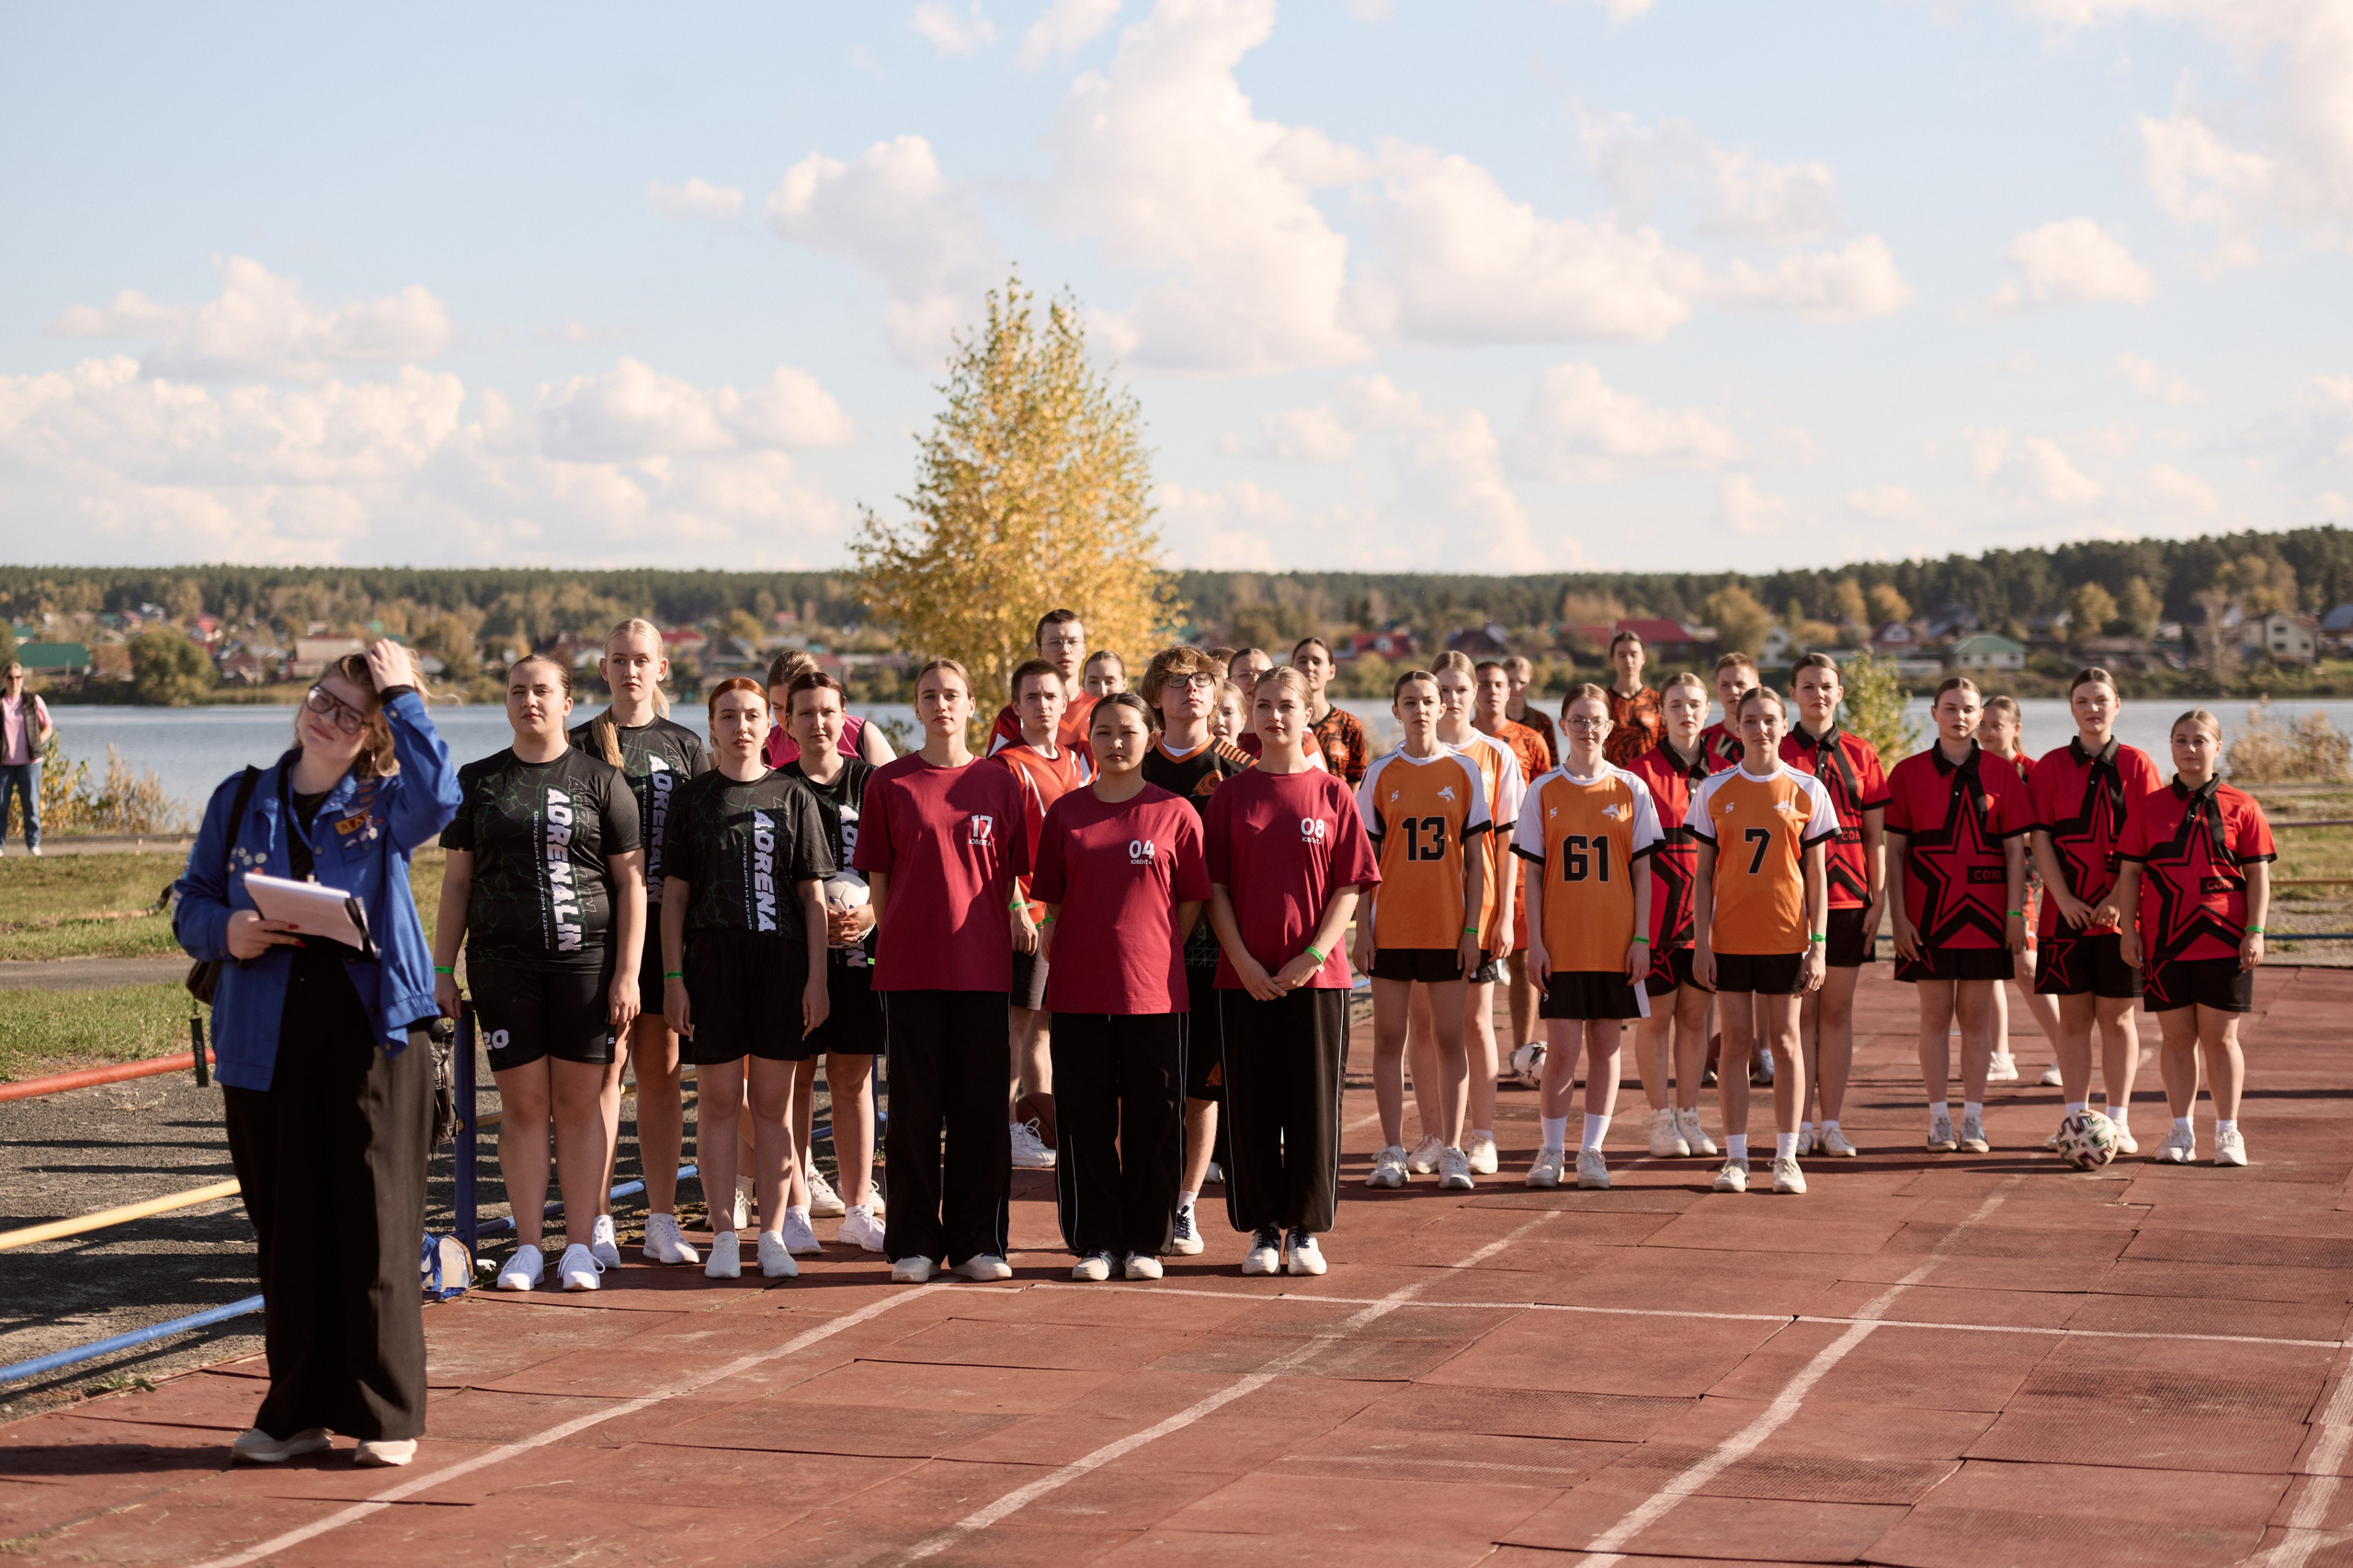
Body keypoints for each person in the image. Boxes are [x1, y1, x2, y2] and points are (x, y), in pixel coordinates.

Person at [179, 642, 459, 1470]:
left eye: (349, 711)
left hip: (372, 1038)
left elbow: (443, 796)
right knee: (288, 1232)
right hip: (265, 1046)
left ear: (373, 732)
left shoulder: (385, 803)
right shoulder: (240, 800)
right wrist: (226, 930)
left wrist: (405, 693)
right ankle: (293, 1410)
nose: (326, 717)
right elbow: (192, 901)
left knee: (373, 1228)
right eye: (319, 699)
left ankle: (384, 1413)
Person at [437, 655, 645, 1293]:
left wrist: (629, 973)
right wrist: (443, 968)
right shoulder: (477, 781)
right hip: (503, 967)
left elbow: (631, 883)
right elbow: (457, 883)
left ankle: (579, 1246)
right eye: (518, 690)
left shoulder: (602, 780)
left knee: (579, 1108)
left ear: (565, 701)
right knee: (524, 1108)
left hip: (586, 964)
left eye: (543, 690)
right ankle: (529, 1245)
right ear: (506, 701)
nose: (530, 700)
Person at [854, 658, 1031, 1283]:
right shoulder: (890, 784)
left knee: (981, 1112)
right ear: (917, 705)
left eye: (952, 694)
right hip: (909, 972)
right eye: (930, 695)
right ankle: (913, 1243)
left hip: (983, 970)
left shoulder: (1001, 783)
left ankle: (978, 1242)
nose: (941, 704)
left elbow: (1011, 875)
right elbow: (878, 882)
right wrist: (903, 936)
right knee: (914, 1112)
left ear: (971, 702)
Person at [1032, 692, 1211, 1279]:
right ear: (1090, 740)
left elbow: (1188, 903)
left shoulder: (1176, 813)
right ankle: (1096, 1242)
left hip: (1154, 994)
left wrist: (1151, 948)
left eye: (1128, 731)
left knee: (1152, 1120)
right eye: (1103, 731)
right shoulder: (1066, 813)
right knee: (1085, 1119)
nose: (1114, 742)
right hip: (1080, 992)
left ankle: (1146, 1242)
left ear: (1150, 736)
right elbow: (1053, 902)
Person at [1207, 666, 1378, 1277]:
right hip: (1244, 979)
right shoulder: (1230, 796)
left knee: (1312, 1107)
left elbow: (1350, 886)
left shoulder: (1334, 794)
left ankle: (1305, 1229)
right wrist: (1245, 962)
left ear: (1308, 715)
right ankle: (1261, 1228)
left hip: (1318, 980)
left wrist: (1311, 956)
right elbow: (1216, 890)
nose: (1276, 717)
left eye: (1287, 707)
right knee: (1251, 1107)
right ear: (1250, 715)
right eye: (1265, 706)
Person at [661, 679, 832, 1280]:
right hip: (711, 963)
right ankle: (724, 1234)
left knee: (772, 1108)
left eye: (752, 715)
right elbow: (675, 896)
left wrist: (818, 978)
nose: (741, 726)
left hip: (781, 965)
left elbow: (812, 896)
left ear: (770, 725)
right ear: (710, 725)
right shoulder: (692, 799)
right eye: (728, 716)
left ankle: (774, 1232)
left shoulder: (792, 795)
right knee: (716, 1101)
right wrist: (674, 977)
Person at [573, 619, 709, 1267]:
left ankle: (660, 1218)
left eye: (642, 660)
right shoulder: (578, 744)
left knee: (662, 1071)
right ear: (603, 668)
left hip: (667, 927)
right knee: (604, 1070)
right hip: (598, 928)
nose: (630, 670)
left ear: (661, 669)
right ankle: (596, 1218)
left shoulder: (685, 746)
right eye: (619, 660)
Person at [1689, 687, 1836, 1196]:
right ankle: (1735, 1158)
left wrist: (1818, 943)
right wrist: (1701, 942)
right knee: (1734, 1044)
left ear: (1784, 722)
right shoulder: (1713, 789)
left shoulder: (1807, 789)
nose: (1761, 729)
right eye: (1750, 720)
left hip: (1785, 935)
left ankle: (1787, 1157)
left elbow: (1818, 877)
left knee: (1787, 1042)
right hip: (1729, 936)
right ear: (1737, 725)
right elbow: (1703, 876)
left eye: (1770, 720)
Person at [1514, 685, 1660, 1191]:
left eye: (1596, 719)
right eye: (1578, 719)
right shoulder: (1543, 789)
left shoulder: (1631, 788)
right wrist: (1536, 940)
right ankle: (1550, 1151)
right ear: (1563, 724)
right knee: (1562, 1048)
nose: (1588, 728)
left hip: (1615, 939)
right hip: (1564, 939)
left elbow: (1643, 873)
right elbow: (1532, 875)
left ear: (1609, 726)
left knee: (1605, 1045)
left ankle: (1592, 1151)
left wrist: (1641, 938)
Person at [2115, 709, 2273, 1167]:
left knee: (2222, 1038)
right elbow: (2129, 872)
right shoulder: (2148, 806)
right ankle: (2180, 1133)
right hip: (2165, 943)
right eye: (2180, 739)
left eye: (2199, 740)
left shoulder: (2243, 805)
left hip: (2226, 941)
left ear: (2217, 747)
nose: (2189, 748)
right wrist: (2130, 928)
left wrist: (2256, 931)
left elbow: (2258, 876)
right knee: (2176, 1038)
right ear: (2171, 746)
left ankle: (2228, 1134)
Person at [1139, 645, 1255, 1256]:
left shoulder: (1240, 770)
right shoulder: (1133, 763)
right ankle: (1144, 1200)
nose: (1191, 690)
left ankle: (1184, 1204)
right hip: (1142, 950)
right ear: (1156, 694)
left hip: (1216, 954)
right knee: (1144, 1083)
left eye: (1203, 681)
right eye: (1178, 681)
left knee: (1201, 1086)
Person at [1353, 670, 1489, 1191]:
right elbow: (1365, 865)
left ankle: (1452, 1148)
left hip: (1446, 927)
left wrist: (1472, 928)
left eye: (1429, 700)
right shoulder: (1381, 774)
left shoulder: (1464, 771)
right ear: (1396, 710)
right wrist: (1363, 930)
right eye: (1409, 701)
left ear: (1444, 705)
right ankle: (1392, 1149)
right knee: (1390, 1037)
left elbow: (1477, 863)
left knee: (1450, 1037)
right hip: (1391, 928)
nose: (1421, 709)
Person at [1884, 677, 2030, 1155]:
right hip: (1927, 917)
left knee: (1976, 1018)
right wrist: (1898, 918)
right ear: (1933, 713)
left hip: (1987, 916)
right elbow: (1895, 851)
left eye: (1969, 709)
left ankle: (1973, 1119)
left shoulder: (2002, 772)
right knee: (1934, 1016)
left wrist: (2015, 913)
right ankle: (1937, 1119)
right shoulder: (1906, 773)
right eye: (1951, 708)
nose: (1960, 717)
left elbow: (2015, 854)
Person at [2028, 668, 2164, 1156]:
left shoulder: (2137, 764)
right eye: (2082, 700)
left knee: (2118, 1020)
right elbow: (2039, 837)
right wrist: (2062, 898)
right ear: (2071, 708)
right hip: (2063, 916)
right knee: (2073, 1020)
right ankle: (2073, 1118)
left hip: (2121, 916)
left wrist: (2114, 902)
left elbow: (2146, 841)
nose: (2093, 708)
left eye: (2101, 700)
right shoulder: (2049, 767)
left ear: (2117, 705)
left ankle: (2119, 1121)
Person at [781, 670, 889, 1253]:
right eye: (806, 712)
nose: (818, 722)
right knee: (794, 1080)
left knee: (852, 1080)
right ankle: (796, 1208)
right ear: (788, 722)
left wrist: (871, 912)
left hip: (863, 955)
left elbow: (896, 866)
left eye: (828, 711)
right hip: (798, 958)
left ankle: (857, 1206)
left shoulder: (873, 783)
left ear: (844, 716)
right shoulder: (776, 787)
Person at [1413, 652, 1522, 1179]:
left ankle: (1483, 1135)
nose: (1453, 699)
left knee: (1475, 1023)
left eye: (1461, 689)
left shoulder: (1498, 756)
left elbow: (1507, 847)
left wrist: (1502, 916)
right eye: (1445, 689)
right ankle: (1432, 1135)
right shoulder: (1409, 756)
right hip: (1421, 911)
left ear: (1475, 694)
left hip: (1474, 912)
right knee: (1423, 1024)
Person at [1780, 653, 1888, 1159]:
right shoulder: (1776, 750)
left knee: (1837, 1014)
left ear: (1839, 693)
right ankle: (1798, 1122)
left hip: (1849, 898)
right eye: (1807, 686)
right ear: (1793, 693)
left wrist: (1878, 898)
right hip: (1789, 901)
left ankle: (1831, 1124)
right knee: (1799, 1017)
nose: (1817, 694)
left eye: (1826, 686)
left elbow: (1875, 836)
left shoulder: (1863, 753)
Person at [991, 659, 1086, 1172]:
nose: (1043, 704)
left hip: (1061, 911)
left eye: (1051, 696)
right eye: (1032, 697)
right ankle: (1004, 1125)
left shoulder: (1075, 761)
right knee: (1017, 1023)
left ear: (1065, 701)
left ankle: (1036, 1119)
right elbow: (1000, 846)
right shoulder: (1009, 764)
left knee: (1044, 1026)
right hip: (1026, 909)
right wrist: (1013, 906)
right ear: (1017, 706)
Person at [1627, 674, 1720, 1160]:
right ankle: (1660, 1119)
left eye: (1695, 704)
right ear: (1662, 712)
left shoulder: (1729, 770)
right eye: (1677, 704)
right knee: (1656, 1018)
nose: (1687, 712)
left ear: (1708, 711)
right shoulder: (1638, 772)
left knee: (1696, 1018)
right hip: (1657, 919)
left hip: (1707, 922)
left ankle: (1690, 1115)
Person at [1475, 659, 1554, 1079]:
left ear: (1511, 691)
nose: (1491, 690)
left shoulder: (1531, 740)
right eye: (1483, 683)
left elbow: (1545, 801)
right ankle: (1471, 1047)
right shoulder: (1459, 739)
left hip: (1518, 862)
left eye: (1498, 684)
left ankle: (1522, 1053)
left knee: (1522, 957)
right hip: (1469, 862)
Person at [1976, 696, 2060, 1087]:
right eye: (1984, 724)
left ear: (2016, 729)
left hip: (2025, 877)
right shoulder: (1972, 768)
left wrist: (2019, 838)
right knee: (1988, 969)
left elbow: (2048, 830)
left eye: (1997, 725)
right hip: (1978, 877)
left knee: (2026, 966)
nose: (1989, 732)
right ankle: (2000, 1054)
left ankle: (2066, 1051)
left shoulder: (2035, 773)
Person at [990, 609, 1097, 761]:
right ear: (1039, 651)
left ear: (1084, 649)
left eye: (1073, 642)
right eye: (1055, 642)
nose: (1065, 650)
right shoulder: (1012, 716)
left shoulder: (1101, 712)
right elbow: (996, 777)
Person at [764, 649, 893, 769]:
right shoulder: (765, 746)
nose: (788, 717)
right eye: (778, 708)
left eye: (799, 709)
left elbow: (894, 789)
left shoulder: (861, 734)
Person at [1291, 637, 1369, 785]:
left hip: (1336, 806)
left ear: (1332, 671)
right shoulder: (1281, 720)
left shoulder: (1349, 724)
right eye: (1302, 661)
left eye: (1317, 662)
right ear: (1292, 668)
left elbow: (1356, 780)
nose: (1309, 666)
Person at [1, 661, 53, 856]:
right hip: (3, 764)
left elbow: (47, 726)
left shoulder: (33, 700)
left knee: (31, 805)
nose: (14, 681)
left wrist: (38, 741)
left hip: (30, 763)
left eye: (18, 677)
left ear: (22, 679)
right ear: (3, 679)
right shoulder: (0, 702)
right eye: (10, 677)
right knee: (0, 806)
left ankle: (33, 844)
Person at [1601, 631, 1664, 767]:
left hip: (1648, 780)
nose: (1628, 660)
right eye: (1622, 655)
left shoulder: (1658, 701)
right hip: (1610, 781)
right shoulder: (1601, 702)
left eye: (1634, 654)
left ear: (1643, 658)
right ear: (1612, 659)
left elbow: (1668, 748)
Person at [1696, 653, 1758, 772]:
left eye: (1740, 684)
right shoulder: (1700, 743)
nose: (1732, 691)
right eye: (1725, 685)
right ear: (1717, 690)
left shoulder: (1774, 741)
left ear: (1758, 688)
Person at [1502, 655, 1558, 771]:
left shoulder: (1543, 721)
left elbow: (1552, 766)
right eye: (1510, 681)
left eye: (1522, 682)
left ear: (1530, 684)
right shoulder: (1489, 721)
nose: (1516, 687)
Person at [1210, 678, 1247, 746]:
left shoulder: (1249, 757)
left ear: (1242, 722)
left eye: (1228, 713)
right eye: (1211, 713)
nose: (1219, 722)